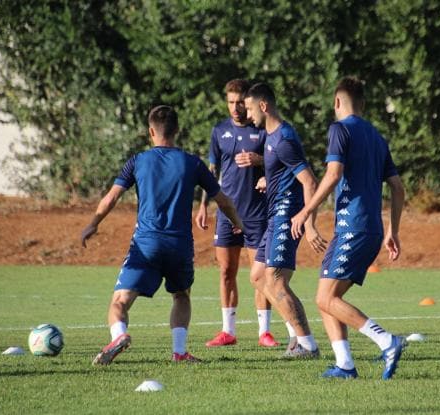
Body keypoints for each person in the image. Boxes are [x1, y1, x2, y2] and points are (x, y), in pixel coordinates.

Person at [81, 105, 243, 365]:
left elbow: (111, 197)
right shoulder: (192, 163)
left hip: (146, 244)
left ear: (150, 132)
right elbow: (223, 201)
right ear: (177, 130)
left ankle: (119, 335)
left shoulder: (138, 161)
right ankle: (179, 352)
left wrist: (93, 223)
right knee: (181, 295)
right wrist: (239, 224)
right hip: (179, 245)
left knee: (120, 301)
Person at [290, 77, 406, 380]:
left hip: (352, 226)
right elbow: (397, 187)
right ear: (363, 104)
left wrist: (306, 210)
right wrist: (393, 230)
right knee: (327, 294)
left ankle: (386, 341)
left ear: (337, 103)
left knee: (325, 298)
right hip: (372, 229)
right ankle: (344, 364)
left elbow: (332, 175)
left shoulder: (339, 129)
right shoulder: (377, 137)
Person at [244, 82, 327, 358]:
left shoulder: (282, 139)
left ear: (264, 106)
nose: (248, 114)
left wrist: (310, 223)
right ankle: (296, 336)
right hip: (274, 214)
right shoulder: (271, 136)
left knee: (276, 279)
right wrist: (271, 179)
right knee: (258, 276)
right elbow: (288, 172)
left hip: (287, 214)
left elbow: (309, 181)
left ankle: (308, 345)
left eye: (250, 108)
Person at [195, 79, 279, 348]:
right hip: (226, 211)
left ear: (248, 101)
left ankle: (264, 332)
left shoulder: (262, 129)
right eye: (230, 102)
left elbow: (279, 162)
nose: (235, 107)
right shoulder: (219, 131)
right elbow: (211, 172)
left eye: (239, 102)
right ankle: (228, 331)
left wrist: (260, 162)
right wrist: (203, 205)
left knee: (261, 275)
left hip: (256, 212)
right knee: (226, 271)